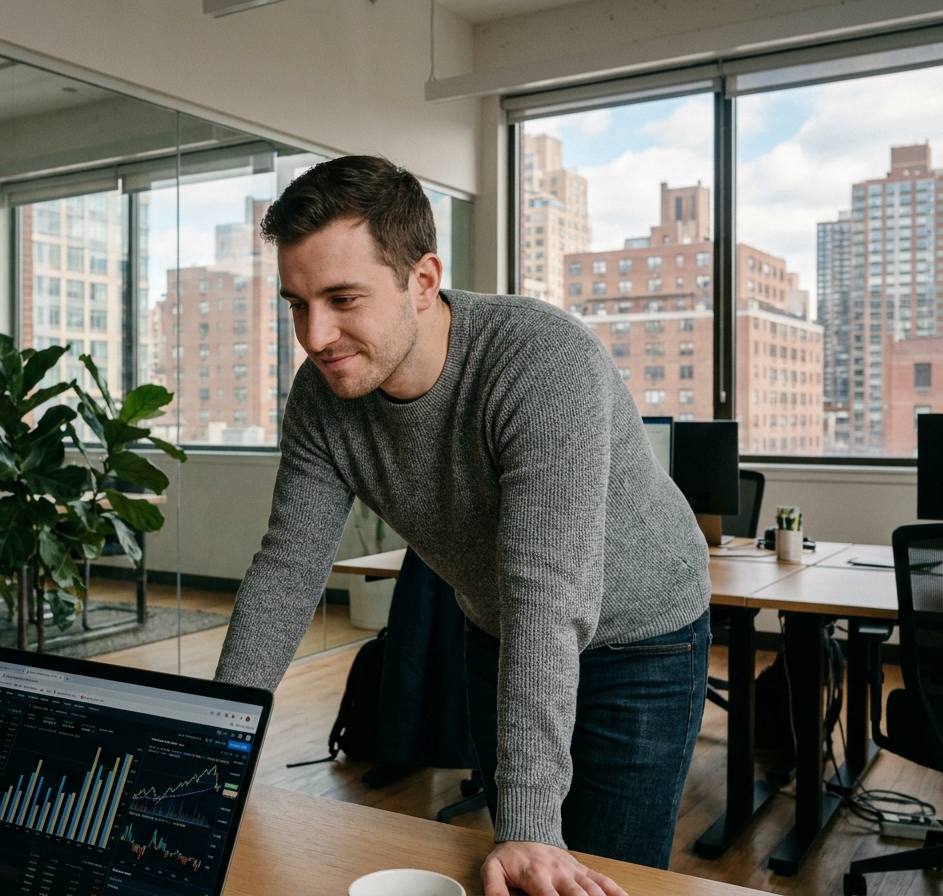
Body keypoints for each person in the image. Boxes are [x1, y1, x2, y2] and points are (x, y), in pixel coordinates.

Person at [214, 155, 711, 896]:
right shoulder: (322, 397)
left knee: (600, 874)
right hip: (498, 626)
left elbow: (546, 596)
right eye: (297, 303)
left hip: (641, 634)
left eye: (343, 299)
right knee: (518, 869)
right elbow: (287, 572)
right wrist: (214, 740)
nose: (315, 336)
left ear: (422, 280)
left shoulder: (539, 361)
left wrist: (531, 826)